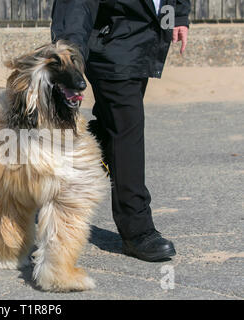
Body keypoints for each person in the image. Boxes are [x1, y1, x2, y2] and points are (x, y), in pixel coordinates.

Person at [51, 0, 191, 262]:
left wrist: (178, 15)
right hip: (111, 45)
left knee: (115, 127)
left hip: (145, 40)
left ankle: (91, 147)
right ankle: (137, 231)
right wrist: (70, 55)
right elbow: (76, 7)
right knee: (128, 130)